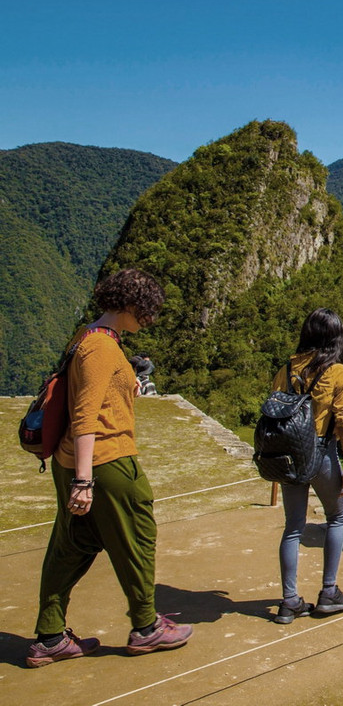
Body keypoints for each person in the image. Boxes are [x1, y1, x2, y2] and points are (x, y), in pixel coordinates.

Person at [28, 269, 192, 667]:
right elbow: (86, 417)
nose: (147, 320)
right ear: (131, 305)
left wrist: (126, 382)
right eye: (146, 312)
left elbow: (91, 396)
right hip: (106, 462)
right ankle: (146, 626)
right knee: (138, 536)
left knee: (72, 546)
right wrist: (84, 481)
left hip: (70, 461)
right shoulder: (101, 350)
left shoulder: (89, 337)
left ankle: (50, 636)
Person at [271, 308, 343, 624]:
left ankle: (289, 600)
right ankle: (329, 592)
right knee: (336, 517)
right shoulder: (339, 373)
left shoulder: (286, 369)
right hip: (321, 453)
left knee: (293, 527)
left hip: (290, 455)